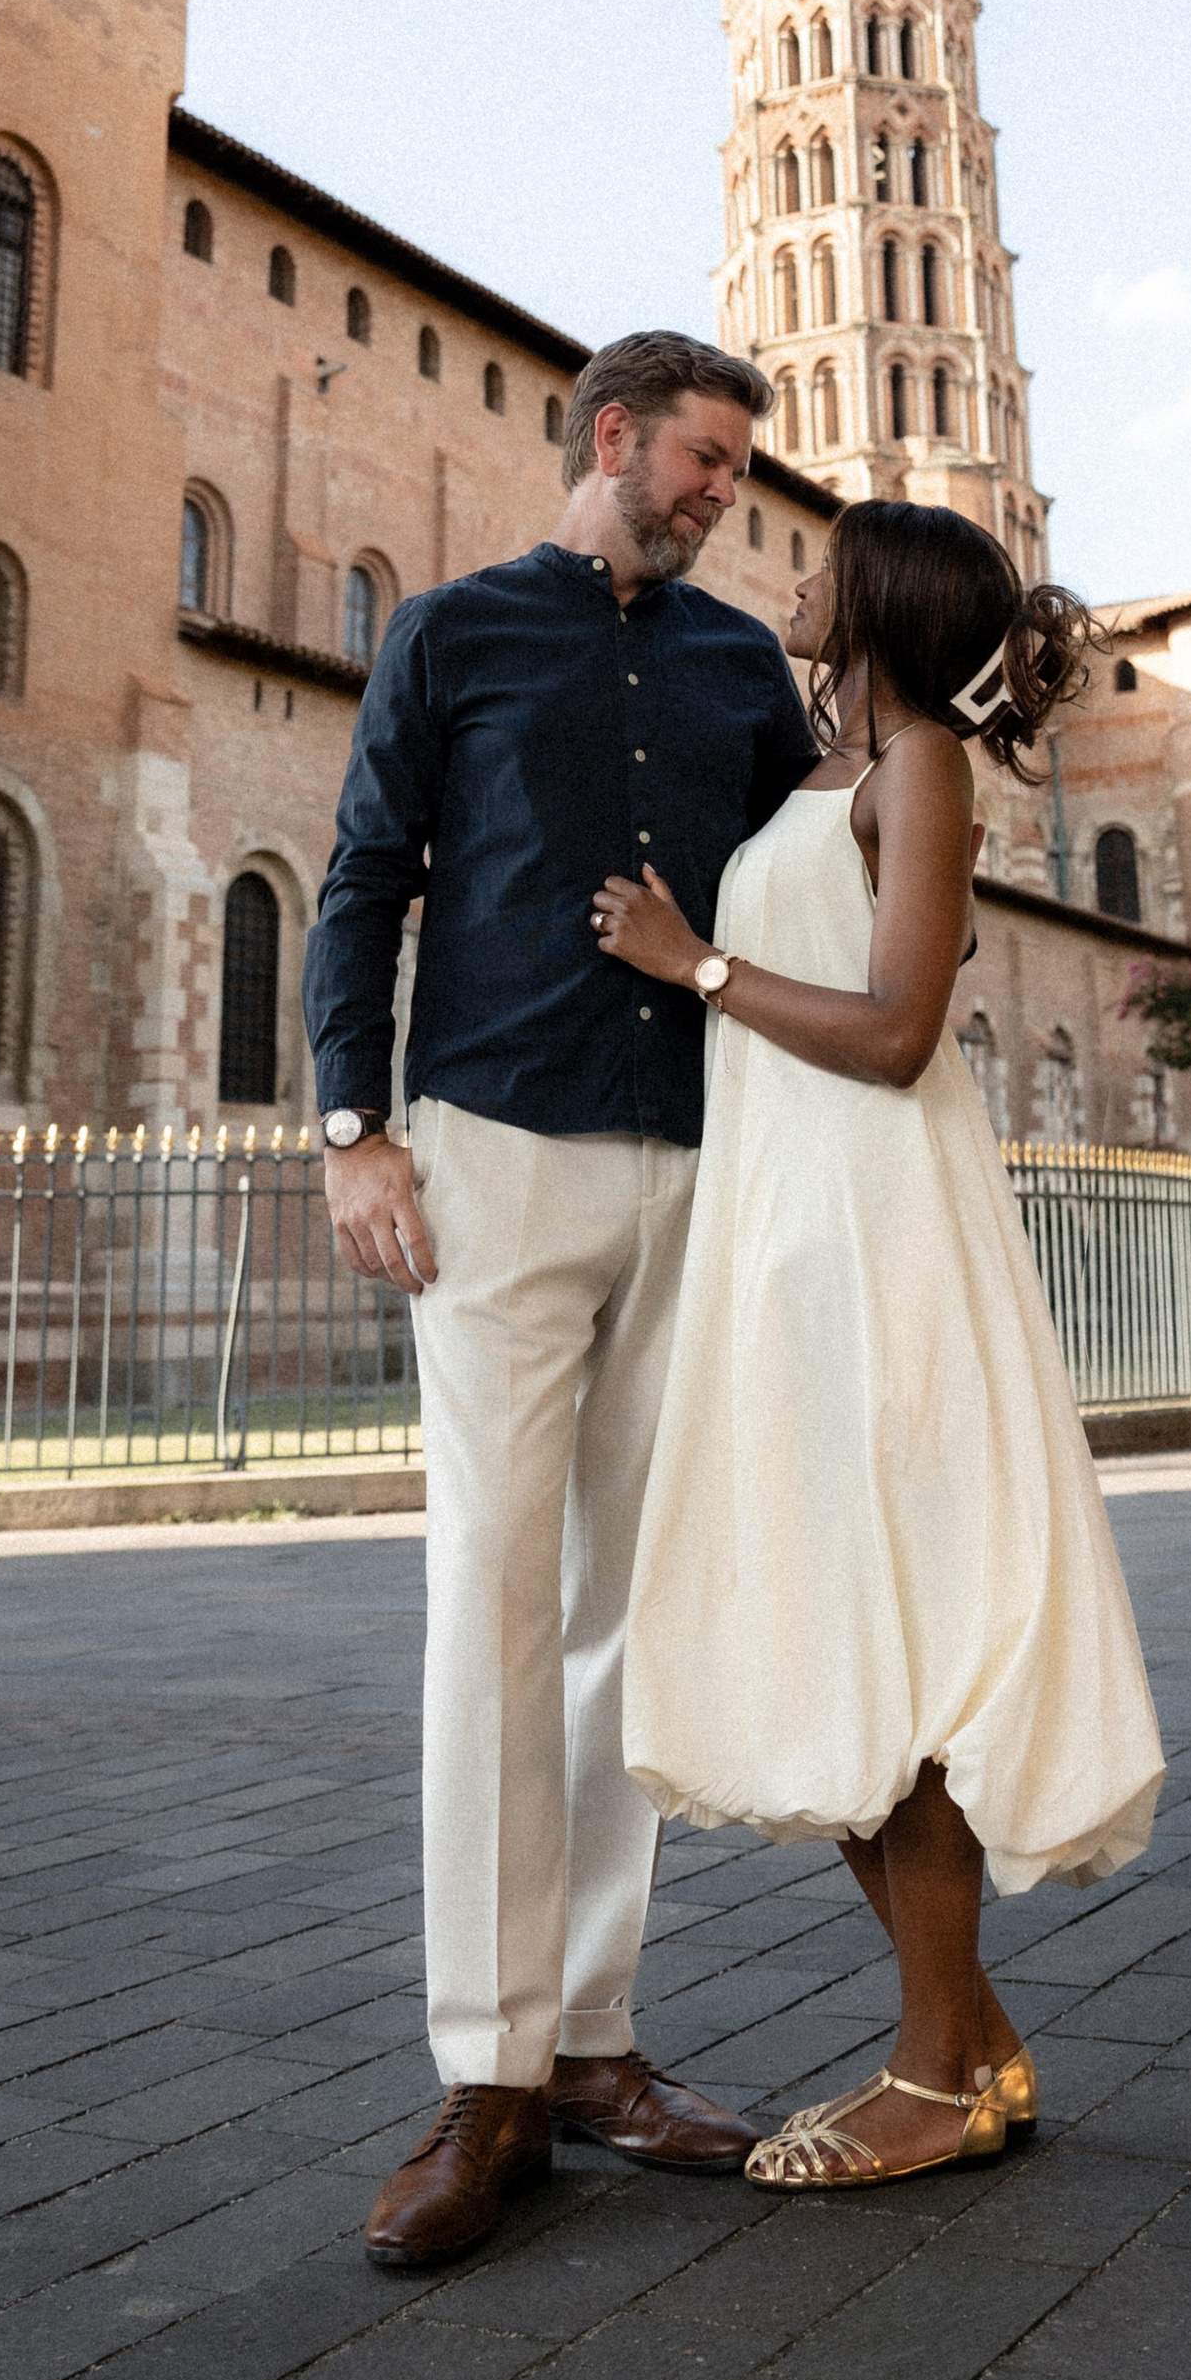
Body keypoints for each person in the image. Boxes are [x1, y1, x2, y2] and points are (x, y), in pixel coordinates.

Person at [303, 331, 823, 2269]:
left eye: (733, 474)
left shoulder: (733, 665)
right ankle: (484, 2071)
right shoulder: (448, 636)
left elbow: (808, 878)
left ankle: (594, 2040)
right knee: (490, 1604)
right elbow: (361, 883)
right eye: (700, 461)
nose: (719, 497)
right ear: (611, 437)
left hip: (689, 1160)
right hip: (490, 1156)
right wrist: (354, 1128)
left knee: (619, 1612)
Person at [597, 499, 1166, 2188]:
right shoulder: (840, 770)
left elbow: (905, 1031)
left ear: (886, 598)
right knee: (847, 1634)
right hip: (792, 1229)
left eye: (826, 561)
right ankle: (975, 2046)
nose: (795, 572)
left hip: (870, 1231)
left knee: (893, 1643)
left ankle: (932, 2073)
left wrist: (694, 963)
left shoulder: (922, 771)